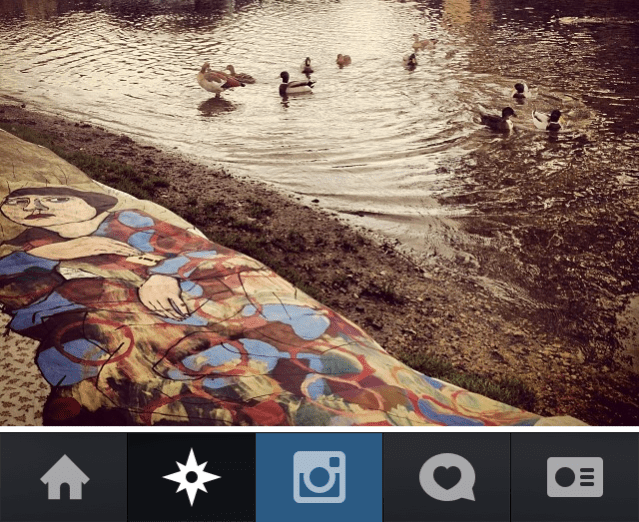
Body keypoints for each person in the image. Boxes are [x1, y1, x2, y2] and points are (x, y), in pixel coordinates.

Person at [0, 185, 556, 427]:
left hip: (207, 294)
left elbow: (195, 256)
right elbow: (27, 301)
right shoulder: (27, 254)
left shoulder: (135, 221)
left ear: (83, 199)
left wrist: (159, 274)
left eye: (52, 195)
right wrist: (77, 260)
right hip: (137, 326)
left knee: (309, 345)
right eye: (24, 204)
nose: (39, 203)